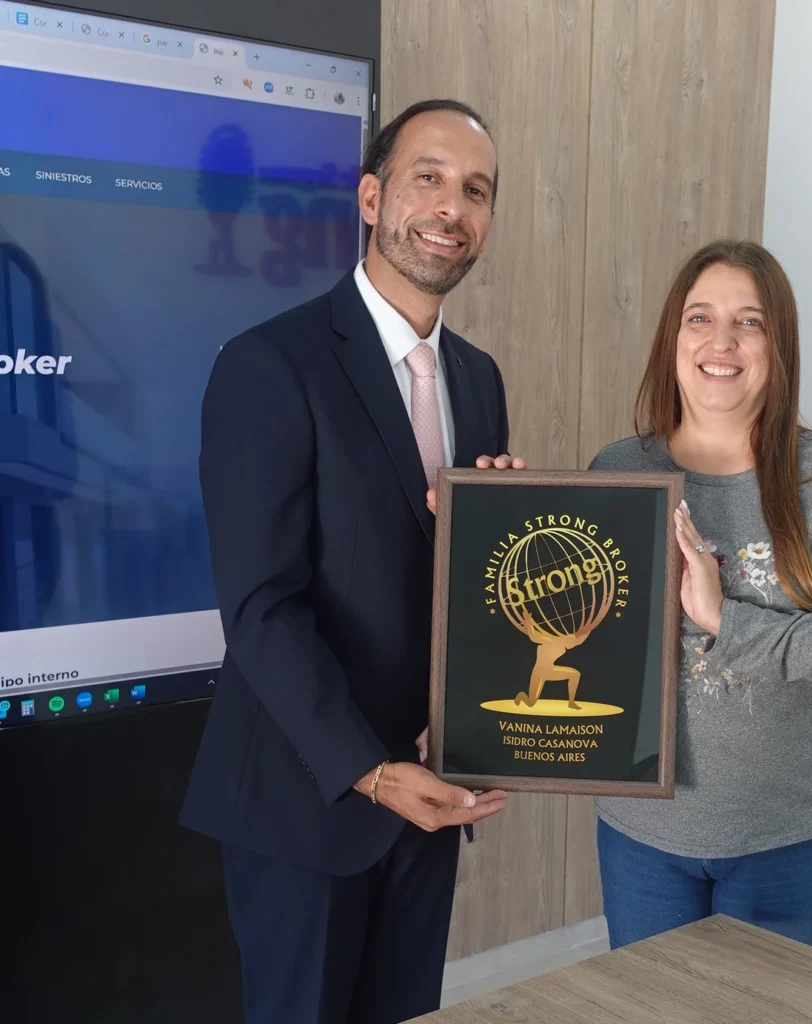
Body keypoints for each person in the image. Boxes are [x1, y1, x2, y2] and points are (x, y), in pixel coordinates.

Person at [179, 99, 525, 1024]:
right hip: (307, 796)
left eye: (476, 190)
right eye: (428, 178)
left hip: (430, 792)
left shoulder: (479, 379)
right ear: (372, 198)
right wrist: (369, 770)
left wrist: (501, 533)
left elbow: (456, 585)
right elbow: (261, 608)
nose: (451, 207)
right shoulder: (269, 364)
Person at [588, 239, 812, 953]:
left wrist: (724, 621)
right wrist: (489, 512)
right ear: (673, 337)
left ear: (778, 345)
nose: (722, 342)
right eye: (700, 317)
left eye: (750, 322)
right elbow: (588, 631)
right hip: (643, 835)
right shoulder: (618, 468)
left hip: (792, 837)